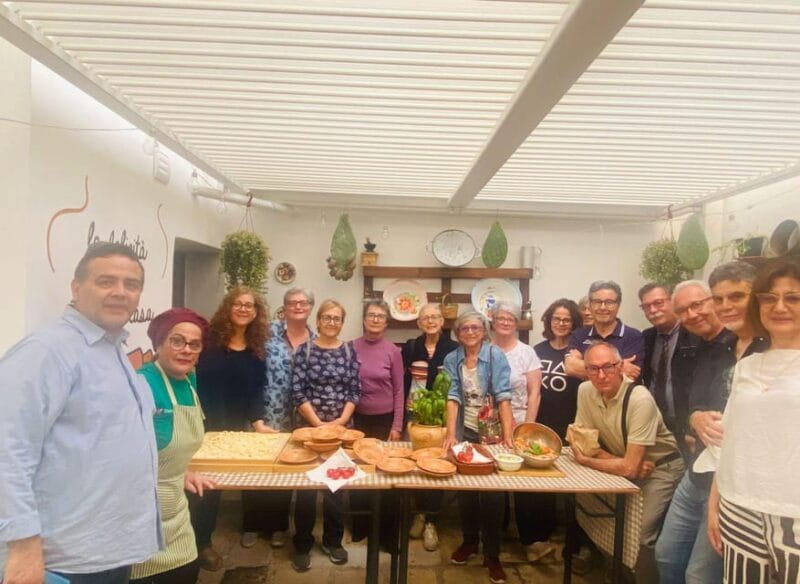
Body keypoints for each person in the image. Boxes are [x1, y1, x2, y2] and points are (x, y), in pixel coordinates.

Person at [0, 242, 161, 584]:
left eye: (131, 285)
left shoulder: (111, 347)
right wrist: (23, 547)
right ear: (76, 288)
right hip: (62, 562)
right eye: (106, 281)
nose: (120, 292)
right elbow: (7, 452)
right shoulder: (47, 351)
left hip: (107, 551)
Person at [655, 278, 766, 584]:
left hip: (730, 482)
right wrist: (695, 418)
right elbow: (692, 405)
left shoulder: (768, 349)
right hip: (697, 473)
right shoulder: (710, 348)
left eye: (698, 304)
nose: (692, 315)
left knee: (700, 576)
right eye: (683, 310)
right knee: (666, 555)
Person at [708, 257, 800, 584]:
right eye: (769, 298)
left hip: (793, 514)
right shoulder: (747, 366)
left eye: (793, 298)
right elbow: (731, 440)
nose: (779, 307)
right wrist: (715, 502)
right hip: (739, 507)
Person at [572, 341, 683, 584]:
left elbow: (628, 467)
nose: (601, 375)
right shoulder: (585, 391)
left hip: (660, 468)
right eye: (593, 369)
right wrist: (618, 461)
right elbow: (581, 441)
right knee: (595, 510)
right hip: (625, 464)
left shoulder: (639, 399)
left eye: (608, 367)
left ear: (621, 366)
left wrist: (591, 459)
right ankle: (618, 572)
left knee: (641, 535)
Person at [130, 308, 216, 584]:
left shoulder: (189, 381)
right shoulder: (140, 385)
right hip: (141, 526)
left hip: (177, 521)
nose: (186, 350)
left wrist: (183, 470)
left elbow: (168, 448)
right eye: (177, 341)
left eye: (194, 344)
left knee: (188, 572)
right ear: (158, 344)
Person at [189, 286, 268, 570]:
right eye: (238, 303)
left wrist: (258, 422)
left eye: (250, 305)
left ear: (256, 312)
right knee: (193, 488)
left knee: (213, 487)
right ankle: (188, 546)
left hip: (233, 429)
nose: (244, 309)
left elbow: (257, 391)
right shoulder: (208, 342)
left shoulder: (257, 350)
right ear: (228, 307)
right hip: (200, 422)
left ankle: (202, 543)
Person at [443, 311, 514, 584]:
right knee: (466, 492)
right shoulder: (453, 359)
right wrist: (451, 434)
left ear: (484, 331)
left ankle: (492, 554)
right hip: (466, 431)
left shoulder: (496, 357)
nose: (470, 332)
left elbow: (503, 396)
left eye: (475, 328)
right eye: (464, 329)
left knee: (493, 495)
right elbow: (452, 397)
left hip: (491, 433)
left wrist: (508, 437)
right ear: (458, 334)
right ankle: (470, 542)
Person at [290, 300, 361, 572]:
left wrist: (340, 422)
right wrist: (319, 424)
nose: (332, 322)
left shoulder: (348, 351)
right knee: (306, 489)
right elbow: (298, 392)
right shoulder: (303, 351)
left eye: (337, 318)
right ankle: (302, 544)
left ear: (342, 323)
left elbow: (355, 390)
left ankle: (333, 541)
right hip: (309, 429)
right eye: (327, 318)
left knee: (336, 488)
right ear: (317, 321)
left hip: (342, 429)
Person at [522, 299, 584, 566]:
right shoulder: (537, 350)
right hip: (541, 423)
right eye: (556, 319)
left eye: (567, 319)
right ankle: (537, 539)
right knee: (536, 482)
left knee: (571, 485)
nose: (561, 324)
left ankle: (573, 543)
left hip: (569, 425)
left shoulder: (578, 353)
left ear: (574, 323)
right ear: (548, 322)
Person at [261, 287, 317, 549]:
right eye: (292, 302)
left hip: (304, 414)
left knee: (299, 465)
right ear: (283, 307)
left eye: (303, 302)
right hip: (272, 410)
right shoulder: (266, 333)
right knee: (271, 468)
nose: (298, 306)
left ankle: (292, 527)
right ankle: (270, 525)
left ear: (310, 307)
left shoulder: (316, 339)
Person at [401, 303, 458, 552]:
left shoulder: (454, 349)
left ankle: (431, 521)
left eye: (435, 317)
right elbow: (404, 380)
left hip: (442, 417)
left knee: (436, 467)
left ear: (442, 321)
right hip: (415, 414)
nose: (431, 321)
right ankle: (419, 514)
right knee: (414, 464)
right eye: (426, 317)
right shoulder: (411, 346)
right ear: (419, 323)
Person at [351, 300, 404, 543]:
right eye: (371, 315)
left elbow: (399, 391)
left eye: (380, 316)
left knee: (385, 474)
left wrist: (397, 426)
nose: (375, 319)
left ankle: (386, 532)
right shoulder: (350, 347)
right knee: (359, 472)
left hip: (385, 421)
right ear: (363, 319)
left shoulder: (393, 351)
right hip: (357, 420)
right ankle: (360, 527)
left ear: (386, 322)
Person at [638, 283, 700, 438]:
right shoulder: (647, 337)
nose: (652, 310)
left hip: (688, 424)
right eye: (646, 306)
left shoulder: (694, 334)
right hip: (655, 423)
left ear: (673, 301)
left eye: (658, 303)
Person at [566, 280, 644, 382]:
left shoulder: (633, 336)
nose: (602, 307)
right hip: (587, 397)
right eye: (597, 302)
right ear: (590, 305)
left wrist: (584, 366)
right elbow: (570, 368)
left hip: (622, 398)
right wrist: (618, 367)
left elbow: (629, 375)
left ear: (618, 305)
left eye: (609, 302)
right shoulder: (578, 335)